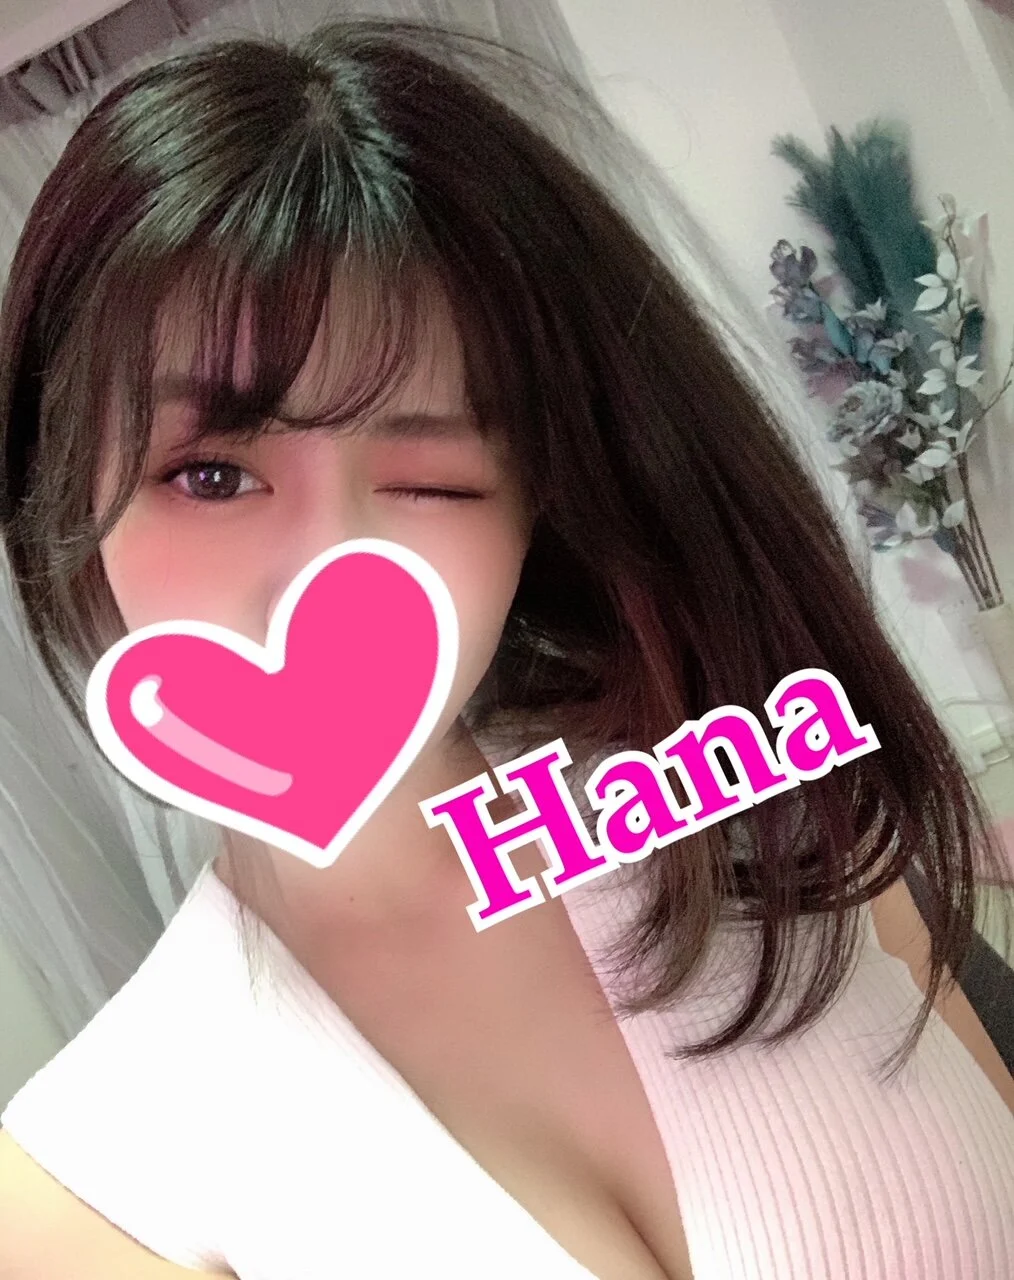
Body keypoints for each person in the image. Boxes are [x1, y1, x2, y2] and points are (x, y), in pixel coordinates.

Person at [0, 16, 1012, 1280]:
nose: (333, 568)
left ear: (541, 508)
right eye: (210, 474)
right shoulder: (89, 1187)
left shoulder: (770, 804)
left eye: (431, 481)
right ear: (67, 504)